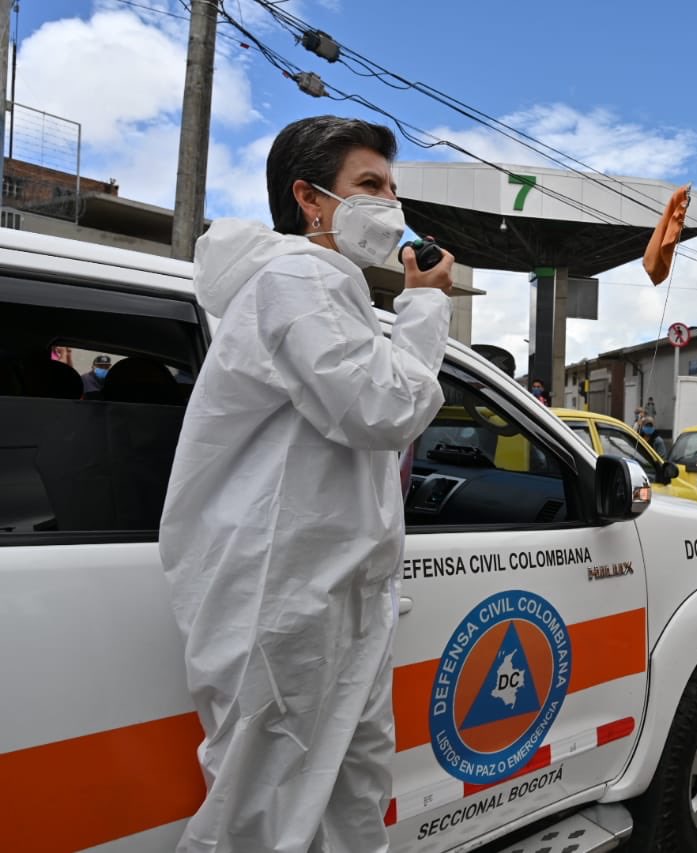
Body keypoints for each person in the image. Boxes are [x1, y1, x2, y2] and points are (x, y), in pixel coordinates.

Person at [159, 116, 454, 853]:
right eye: (370, 185)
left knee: (346, 800)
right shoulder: (297, 279)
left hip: (331, 594)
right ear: (310, 198)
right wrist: (425, 306)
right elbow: (382, 406)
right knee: (260, 817)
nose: (391, 204)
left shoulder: (331, 292)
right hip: (284, 597)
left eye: (393, 187)